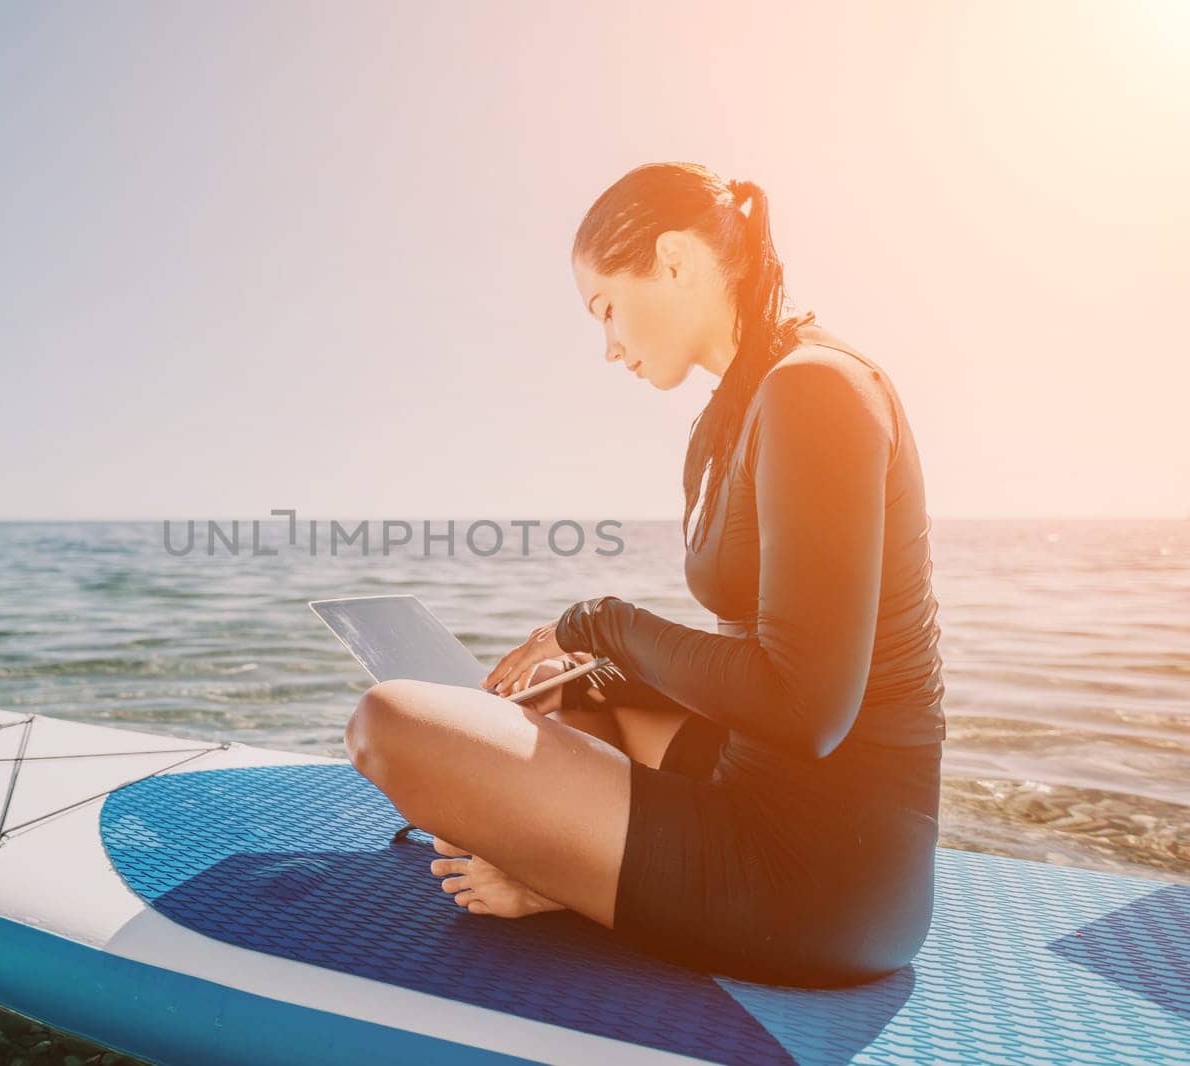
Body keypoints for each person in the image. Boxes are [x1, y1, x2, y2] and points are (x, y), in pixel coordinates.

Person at [343, 162, 947, 988]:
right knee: (571, 699)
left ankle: (556, 879)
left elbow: (806, 709)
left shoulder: (818, 389)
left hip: (823, 872)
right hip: (758, 780)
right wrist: (597, 670)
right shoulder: (746, 402)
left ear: (673, 259)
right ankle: (564, 863)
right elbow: (767, 671)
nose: (609, 346)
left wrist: (599, 622)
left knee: (390, 725)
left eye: (607, 310)